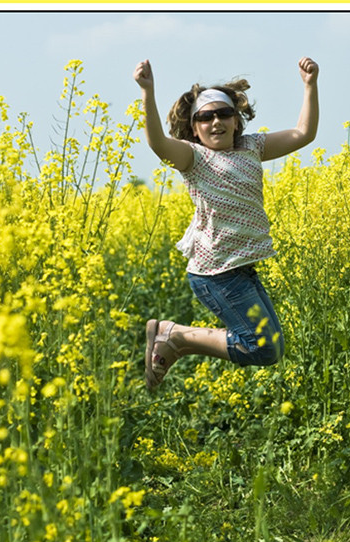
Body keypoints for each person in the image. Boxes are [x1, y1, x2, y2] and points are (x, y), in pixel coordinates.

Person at [133, 57, 319, 390]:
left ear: (237, 121)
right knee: (263, 347)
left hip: (241, 269)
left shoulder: (251, 147)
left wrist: (309, 86)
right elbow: (158, 143)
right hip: (216, 273)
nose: (215, 122)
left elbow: (303, 133)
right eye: (205, 117)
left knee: (269, 348)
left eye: (224, 114)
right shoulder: (194, 158)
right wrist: (148, 91)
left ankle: (174, 340)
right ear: (194, 128)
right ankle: (172, 335)